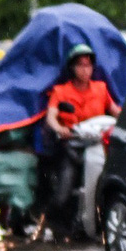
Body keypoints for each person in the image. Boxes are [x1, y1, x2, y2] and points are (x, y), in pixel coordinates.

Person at [38, 43, 115, 235]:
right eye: (81, 65)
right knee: (62, 195)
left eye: (88, 65)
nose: (85, 69)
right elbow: (51, 116)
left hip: (96, 145)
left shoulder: (101, 89)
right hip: (71, 145)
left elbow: (115, 111)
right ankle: (54, 226)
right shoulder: (61, 92)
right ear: (72, 68)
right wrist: (59, 128)